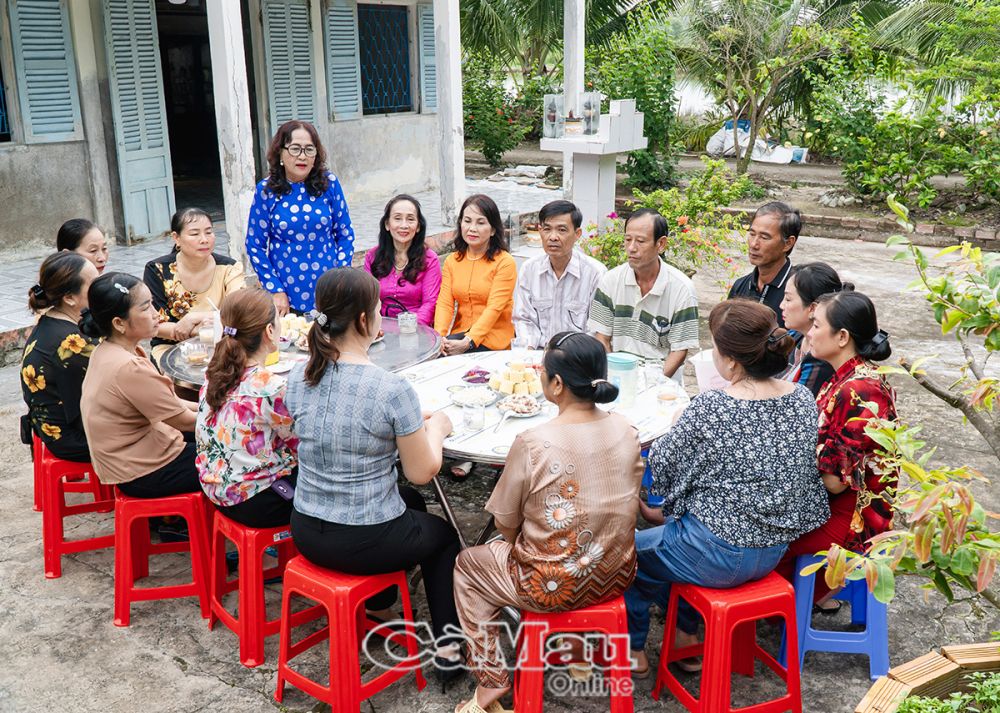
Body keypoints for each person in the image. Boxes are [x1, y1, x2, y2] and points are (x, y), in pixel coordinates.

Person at [625, 300, 830, 676]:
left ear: (731, 362)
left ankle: (634, 649)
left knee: (625, 555)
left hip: (716, 555)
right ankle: (686, 637)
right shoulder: (801, 398)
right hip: (772, 550)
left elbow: (663, 471)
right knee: (680, 533)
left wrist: (677, 424)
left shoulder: (710, 406)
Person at [285, 268, 463, 683]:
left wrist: (405, 423)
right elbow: (423, 471)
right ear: (366, 320)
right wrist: (437, 427)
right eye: (379, 308)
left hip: (308, 529)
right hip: (364, 537)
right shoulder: (390, 388)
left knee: (411, 505)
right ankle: (450, 654)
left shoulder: (299, 375)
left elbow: (340, 423)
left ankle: (381, 606)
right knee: (442, 538)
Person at [452, 332, 644, 713]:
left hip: (550, 586)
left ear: (555, 384)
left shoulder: (533, 441)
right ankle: (576, 649)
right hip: (618, 573)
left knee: (468, 565)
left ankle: (491, 682)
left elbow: (506, 523)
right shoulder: (627, 430)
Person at [777, 291, 897, 609]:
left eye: (817, 325)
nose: (811, 332)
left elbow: (836, 482)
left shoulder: (860, 391)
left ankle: (787, 609)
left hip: (854, 515)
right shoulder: (844, 379)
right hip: (834, 502)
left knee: (761, 543)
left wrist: (800, 448)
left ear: (842, 336)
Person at [80, 273, 200, 498]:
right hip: (142, 470)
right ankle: (173, 522)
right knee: (229, 458)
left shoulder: (108, 350)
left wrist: (207, 405)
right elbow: (183, 420)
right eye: (145, 308)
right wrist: (231, 420)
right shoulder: (128, 367)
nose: (156, 314)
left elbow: (172, 402)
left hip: (126, 460)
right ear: (119, 323)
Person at [196, 289, 298, 528]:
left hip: (217, 492)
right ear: (269, 331)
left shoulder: (214, 374)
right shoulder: (270, 387)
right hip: (257, 501)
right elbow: (303, 444)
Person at [245, 119, 355, 316]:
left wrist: (341, 277)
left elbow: (345, 234)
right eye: (295, 149)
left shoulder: (329, 183)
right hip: (286, 294)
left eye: (309, 149)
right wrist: (275, 289)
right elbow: (255, 245)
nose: (302, 156)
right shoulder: (266, 190)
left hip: (329, 291)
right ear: (280, 152)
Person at [587, 209, 699, 381]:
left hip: (661, 384)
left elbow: (679, 350)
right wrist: (614, 375)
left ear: (661, 244)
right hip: (617, 377)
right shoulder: (610, 280)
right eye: (627, 239)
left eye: (640, 241)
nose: (631, 248)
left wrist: (652, 384)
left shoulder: (682, 289)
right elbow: (602, 336)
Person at [21, 252, 100, 462]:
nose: (101, 288)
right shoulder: (71, 343)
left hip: (55, 428)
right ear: (70, 298)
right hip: (73, 438)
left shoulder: (51, 321)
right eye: (94, 285)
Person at [144, 207, 245, 366]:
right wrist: (198, 331)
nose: (204, 239)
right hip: (171, 346)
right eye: (194, 234)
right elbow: (155, 325)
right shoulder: (157, 270)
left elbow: (239, 311)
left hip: (221, 344)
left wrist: (193, 318)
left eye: (209, 232)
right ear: (176, 238)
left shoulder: (230, 268)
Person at [512, 200, 606, 349]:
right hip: (537, 355)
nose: (553, 237)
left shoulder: (596, 273)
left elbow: (595, 330)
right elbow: (524, 319)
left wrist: (564, 357)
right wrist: (528, 352)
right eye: (547, 229)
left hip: (576, 358)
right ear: (540, 230)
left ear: (577, 234)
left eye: (562, 230)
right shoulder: (529, 270)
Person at [434, 194, 517, 354]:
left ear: (493, 230)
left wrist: (470, 341)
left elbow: (495, 308)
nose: (472, 228)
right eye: (467, 221)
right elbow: (445, 303)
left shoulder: (505, 262)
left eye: (480, 222)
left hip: (493, 339)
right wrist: (440, 337)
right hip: (459, 335)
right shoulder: (453, 261)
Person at [363, 194, 442, 326]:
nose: (404, 225)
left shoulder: (429, 259)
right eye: (397, 218)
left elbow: (430, 302)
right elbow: (367, 300)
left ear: (418, 227)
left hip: (418, 330)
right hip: (381, 330)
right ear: (387, 224)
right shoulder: (372, 257)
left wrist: (407, 328)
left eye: (410, 219)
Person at [780, 262, 853, 396]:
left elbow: (798, 405)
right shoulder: (796, 335)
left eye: (788, 299)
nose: (781, 305)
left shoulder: (821, 357)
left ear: (813, 308)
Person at [728, 201, 800, 326]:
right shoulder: (741, 286)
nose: (754, 244)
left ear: (788, 243)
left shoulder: (799, 292)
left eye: (764, 237)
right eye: (752, 234)